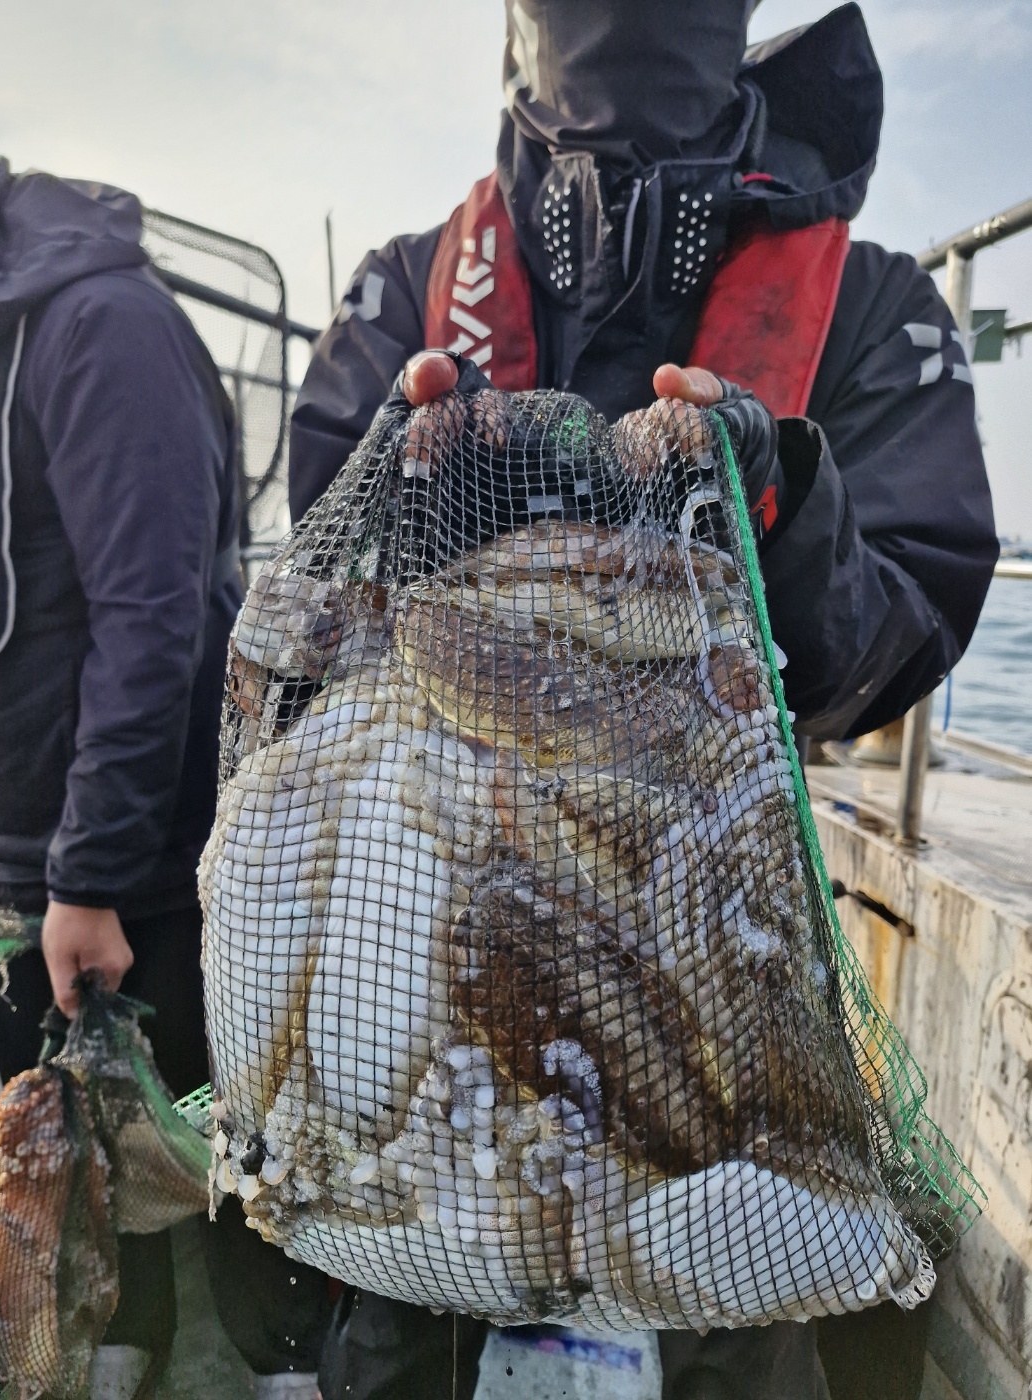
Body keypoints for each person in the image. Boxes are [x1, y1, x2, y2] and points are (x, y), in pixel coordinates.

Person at [287, 3, 998, 1398]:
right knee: (405, 1334)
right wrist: (397, 505)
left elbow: (894, 646)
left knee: (721, 1337)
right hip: (429, 959)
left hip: (720, 978)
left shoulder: (872, 308)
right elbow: (310, 622)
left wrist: (781, 499)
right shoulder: (405, 287)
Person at [0, 158, 331, 1400]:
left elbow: (153, 615)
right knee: (77, 1161)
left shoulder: (101, 327)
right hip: (22, 867)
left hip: (153, 867)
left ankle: (287, 1364)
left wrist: (90, 876)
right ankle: (119, 1348)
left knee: (232, 1147)